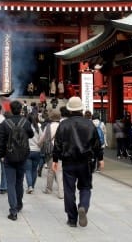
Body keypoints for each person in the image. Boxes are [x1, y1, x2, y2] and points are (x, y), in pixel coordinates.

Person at [52, 96, 103, 228]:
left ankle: (72, 219)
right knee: (85, 187)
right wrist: (100, 159)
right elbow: (97, 144)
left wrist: (55, 159)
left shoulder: (63, 124)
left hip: (68, 161)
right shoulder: (89, 124)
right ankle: (83, 207)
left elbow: (57, 144)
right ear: (81, 109)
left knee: (69, 190)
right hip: (85, 161)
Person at [0, 99, 33, 221]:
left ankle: (13, 210)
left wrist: (1, 154)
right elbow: (31, 134)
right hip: (22, 156)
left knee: (10, 183)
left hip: (9, 156)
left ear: (10, 109)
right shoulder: (25, 122)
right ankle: (19, 203)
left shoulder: (5, 123)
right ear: (21, 109)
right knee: (19, 181)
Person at [38, 108, 63, 199]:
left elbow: (43, 138)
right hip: (61, 151)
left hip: (51, 151)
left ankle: (49, 189)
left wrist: (39, 144)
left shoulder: (48, 126)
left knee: (50, 171)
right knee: (59, 172)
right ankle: (61, 192)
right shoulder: (63, 126)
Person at [23, 112, 42, 194]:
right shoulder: (39, 127)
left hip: (28, 150)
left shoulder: (26, 127)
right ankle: (32, 186)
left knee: (28, 170)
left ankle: (29, 186)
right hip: (37, 151)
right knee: (34, 170)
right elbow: (42, 139)